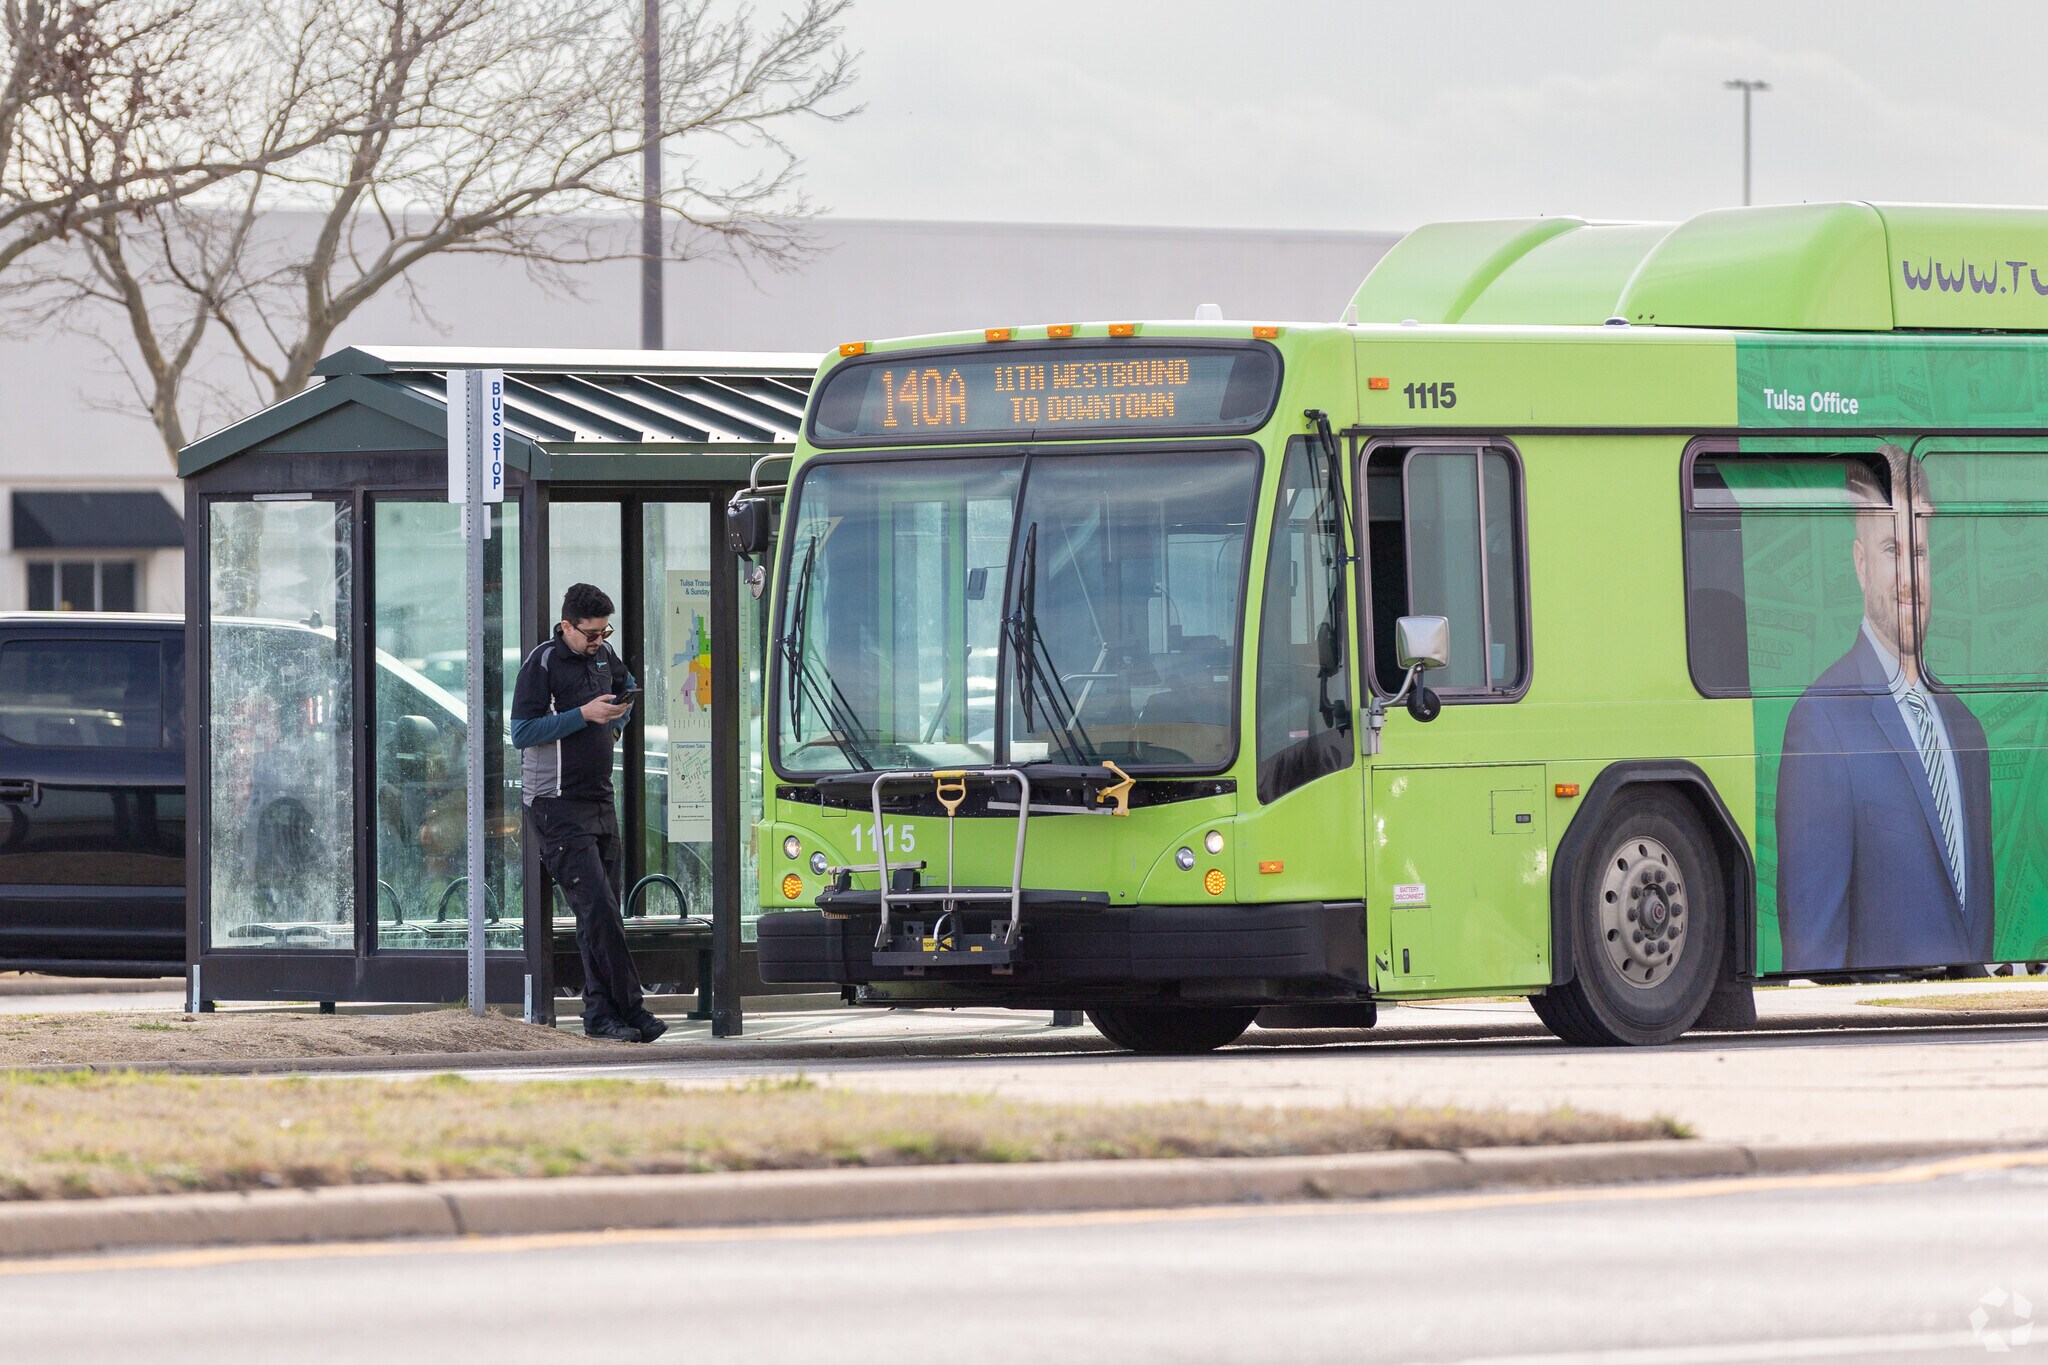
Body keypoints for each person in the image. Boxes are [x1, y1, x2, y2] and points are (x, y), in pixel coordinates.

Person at [1776, 451, 1996, 972]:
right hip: (1877, 1038)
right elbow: (1813, 947)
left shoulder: (1967, 729)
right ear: (1860, 564)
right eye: (1892, 549)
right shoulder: (1820, 723)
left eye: (1918, 551)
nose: (1909, 576)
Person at [511, 583, 665, 1043]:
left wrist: (616, 719)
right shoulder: (542, 663)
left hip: (600, 800)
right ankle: (632, 1008)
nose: (599, 641)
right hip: (556, 806)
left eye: (604, 632)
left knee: (602, 914)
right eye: (591, 634)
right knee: (597, 909)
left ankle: (601, 1016)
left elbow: (627, 688)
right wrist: (585, 715)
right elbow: (521, 731)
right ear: (566, 627)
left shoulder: (604, 656)